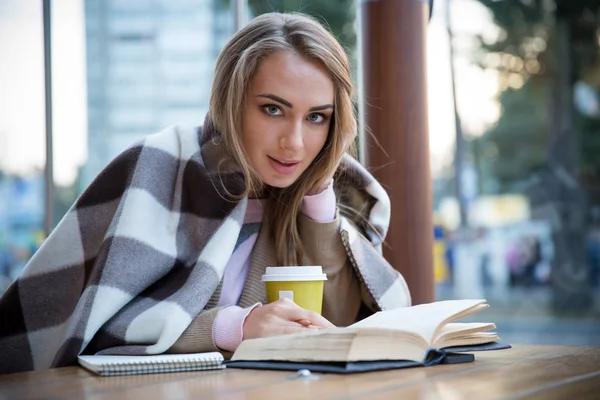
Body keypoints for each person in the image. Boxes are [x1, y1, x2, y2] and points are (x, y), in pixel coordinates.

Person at [0, 12, 410, 374]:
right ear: (232, 101)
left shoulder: (333, 191)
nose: (295, 143)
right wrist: (235, 328)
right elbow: (91, 325)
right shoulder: (161, 166)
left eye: (317, 117)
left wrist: (319, 199)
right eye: (272, 109)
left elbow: (342, 322)